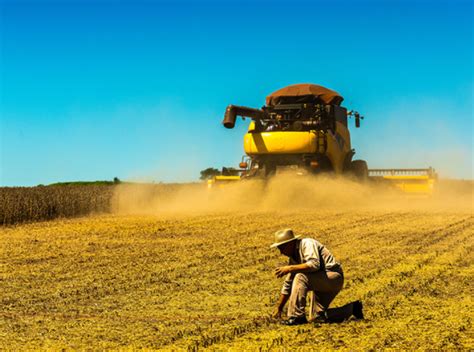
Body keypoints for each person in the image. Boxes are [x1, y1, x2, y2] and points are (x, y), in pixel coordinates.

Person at [271, 228, 363, 325]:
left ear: (290, 243)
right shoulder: (293, 258)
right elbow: (288, 284)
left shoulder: (307, 244)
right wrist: (279, 307)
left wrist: (290, 268)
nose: (281, 252)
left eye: (282, 248)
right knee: (316, 317)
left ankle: (296, 317)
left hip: (332, 277)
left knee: (300, 277)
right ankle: (352, 308)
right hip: (321, 281)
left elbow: (314, 264)